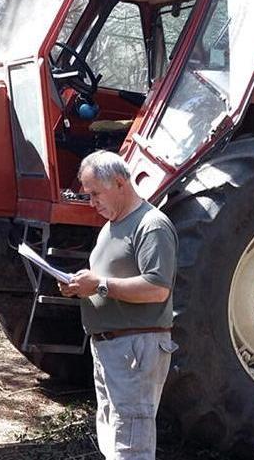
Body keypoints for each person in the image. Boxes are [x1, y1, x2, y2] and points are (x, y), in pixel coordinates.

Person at [60, 150, 178, 460]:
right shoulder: (111, 227)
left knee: (131, 441)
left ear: (119, 182)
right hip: (112, 347)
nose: (91, 202)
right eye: (88, 195)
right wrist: (80, 287)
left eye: (95, 193)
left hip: (136, 347)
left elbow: (157, 289)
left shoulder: (151, 225)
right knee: (115, 435)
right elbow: (107, 282)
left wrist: (98, 285)